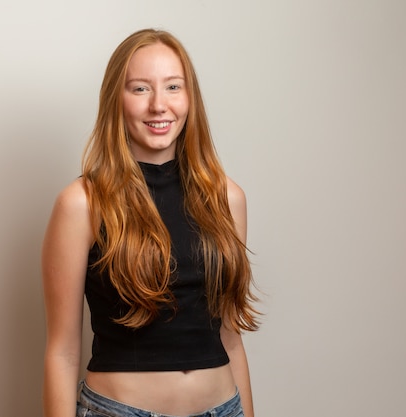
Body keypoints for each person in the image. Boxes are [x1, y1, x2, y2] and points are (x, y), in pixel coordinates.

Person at [41, 28, 260, 417]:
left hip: (223, 408)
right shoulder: (82, 203)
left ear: (189, 98)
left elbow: (231, 338)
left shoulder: (228, 199)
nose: (159, 105)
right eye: (140, 89)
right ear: (116, 100)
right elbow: (63, 351)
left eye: (173, 87)